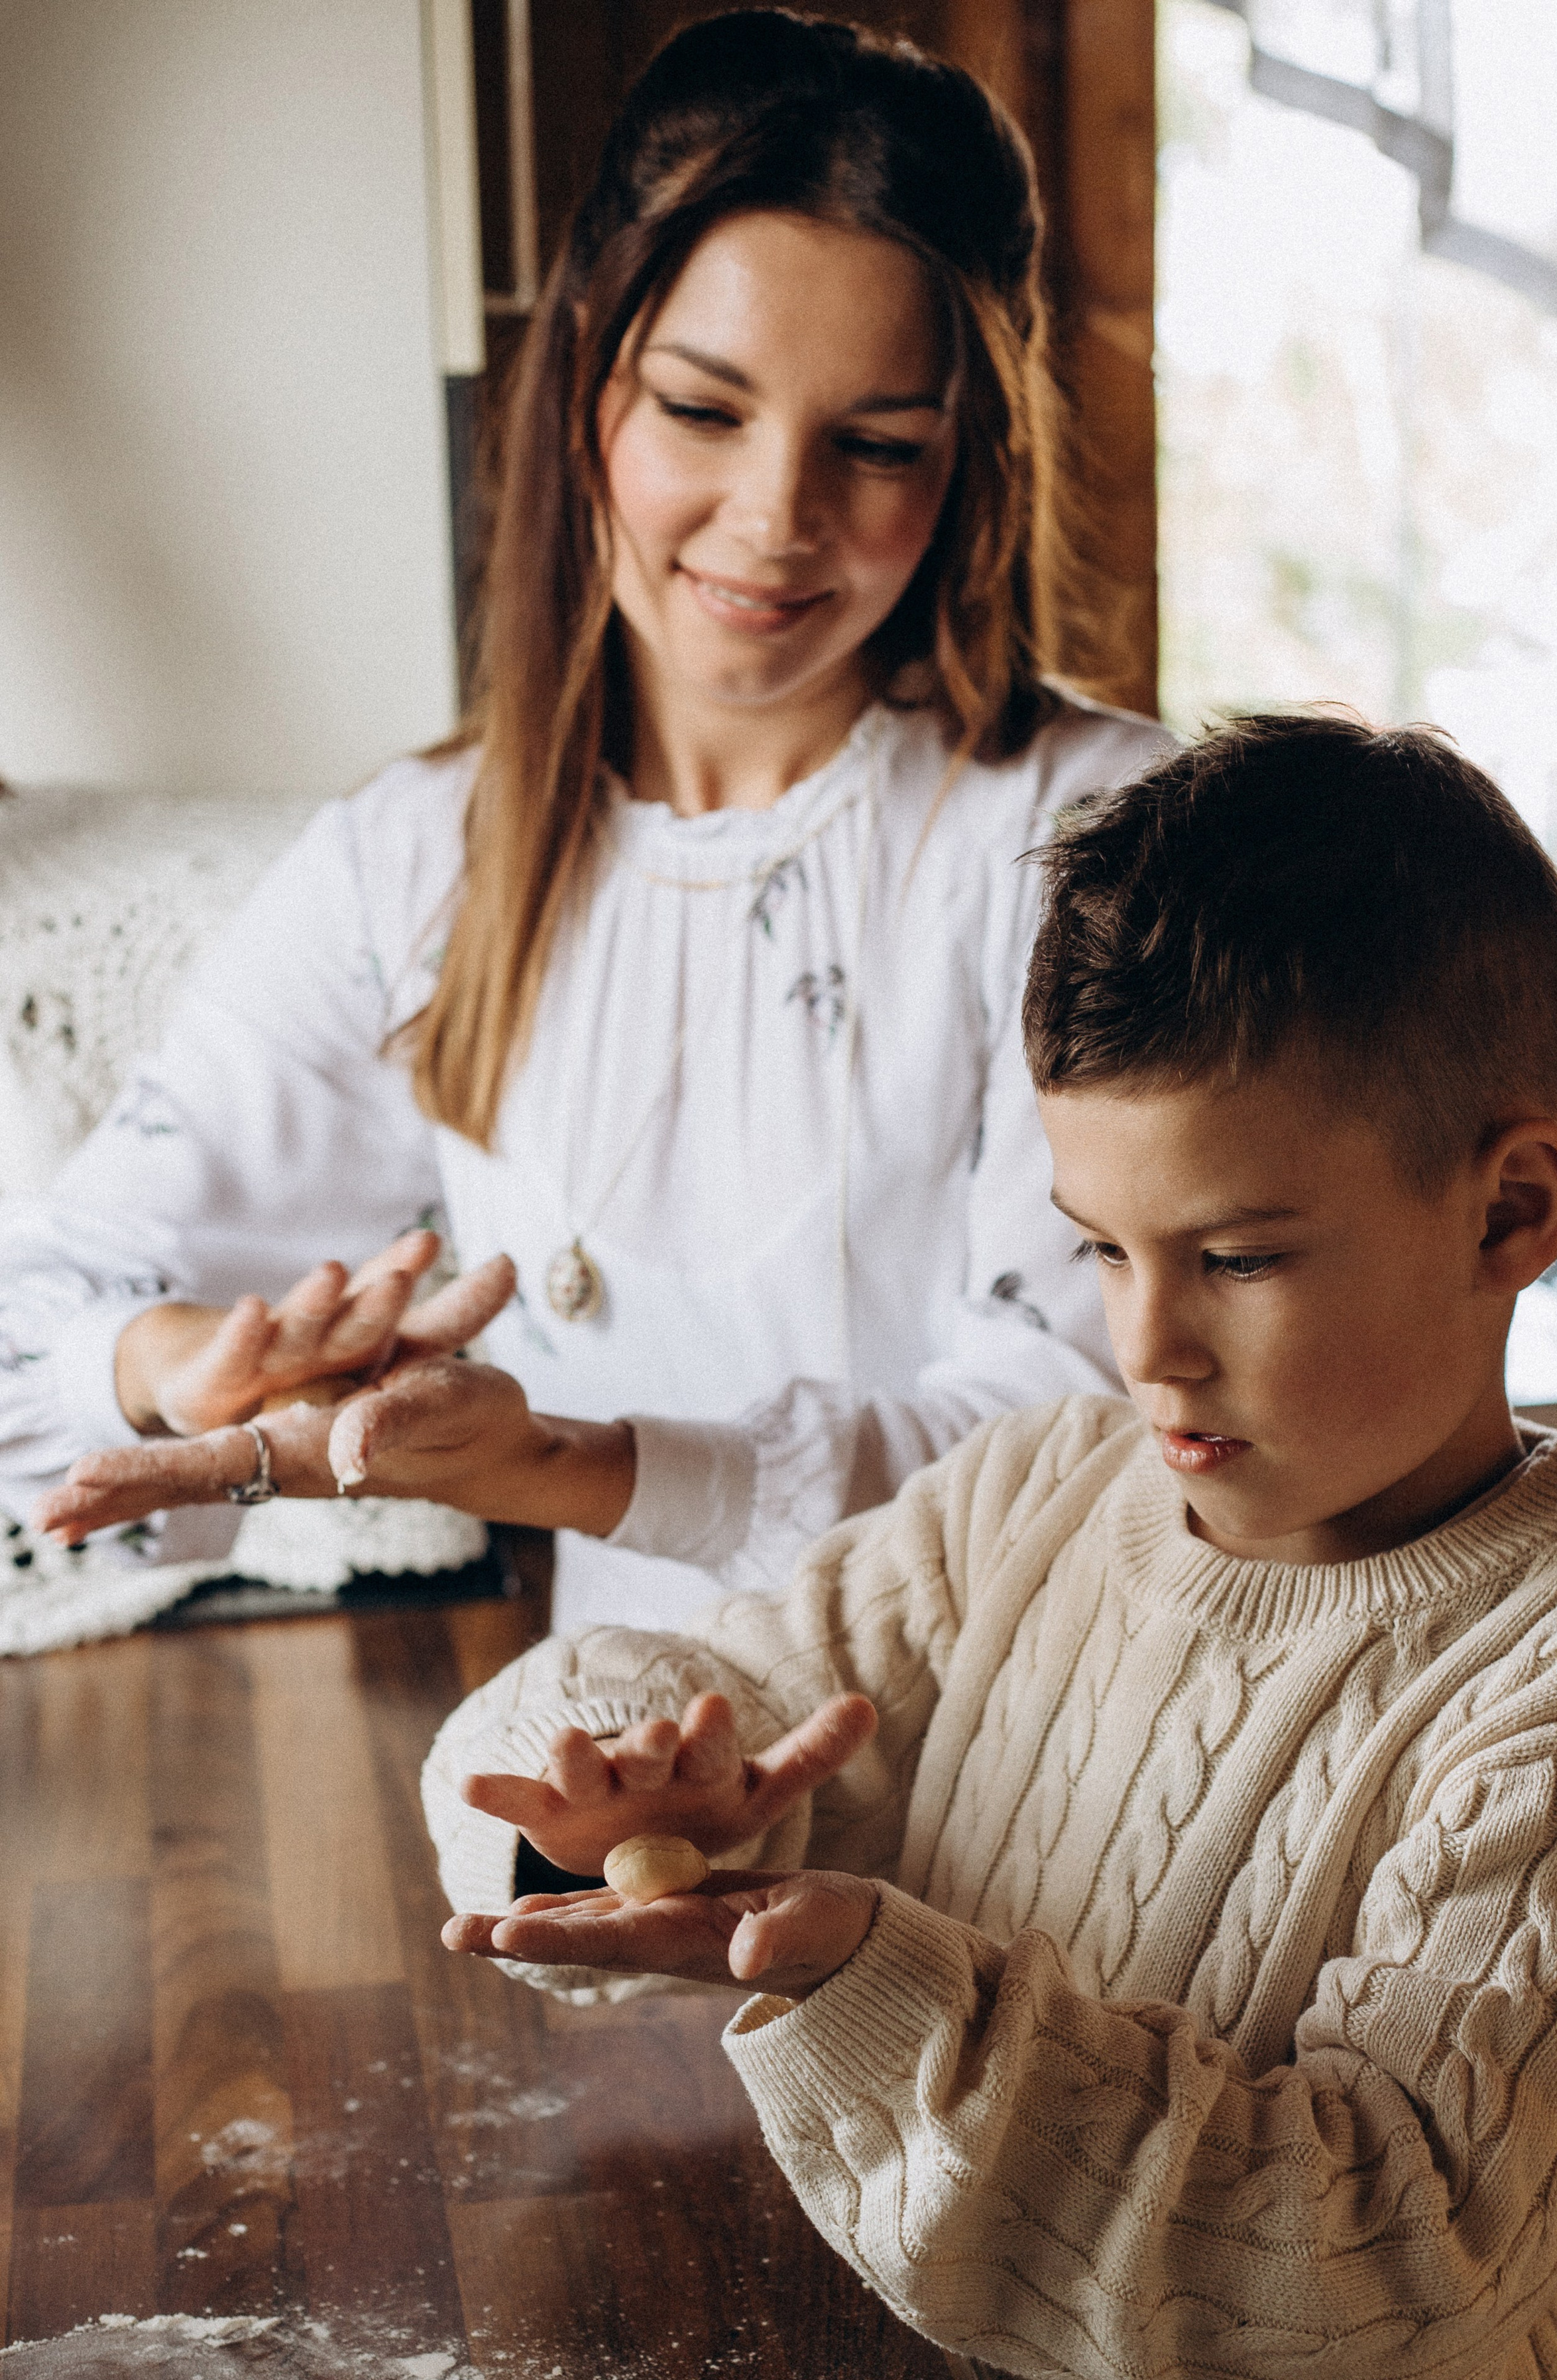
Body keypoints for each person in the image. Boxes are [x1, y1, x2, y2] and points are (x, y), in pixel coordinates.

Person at [430, 713, 1557, 2380]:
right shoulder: (1040, 1492)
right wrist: (613, 1797)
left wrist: (879, 1999)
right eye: (1102, 1247)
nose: (1147, 1347)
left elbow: (1356, 2288)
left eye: (1238, 1258)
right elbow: (686, 1691)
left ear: (1512, 1210)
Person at [1, 11, 1165, 1634]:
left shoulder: (1091, 837)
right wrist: (174, 1361)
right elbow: (36, 1318)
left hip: (1031, 1737)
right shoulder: (418, 862)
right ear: (583, 387)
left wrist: (573, 1466)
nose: (775, 517)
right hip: (606, 1753)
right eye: (702, 411)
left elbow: (1084, 1442)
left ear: (968, 461)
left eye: (875, 445)